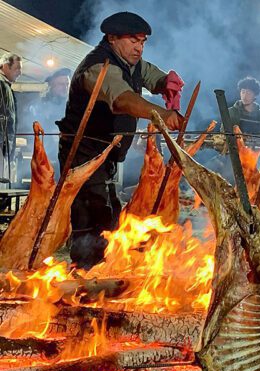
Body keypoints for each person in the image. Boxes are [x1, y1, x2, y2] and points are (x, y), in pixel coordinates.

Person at [56, 11, 185, 269]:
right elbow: (122, 99)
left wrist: (166, 83)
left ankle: (106, 266)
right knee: (92, 213)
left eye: (143, 42)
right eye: (133, 41)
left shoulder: (131, 62)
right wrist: (162, 114)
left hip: (107, 152)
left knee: (111, 212)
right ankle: (87, 270)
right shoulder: (98, 66)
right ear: (112, 38)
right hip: (83, 150)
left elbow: (151, 76)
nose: (139, 48)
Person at [0, 53, 22, 187]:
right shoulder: (1, 85)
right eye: (17, 68)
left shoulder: (5, 85)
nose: (20, 72)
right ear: (5, 66)